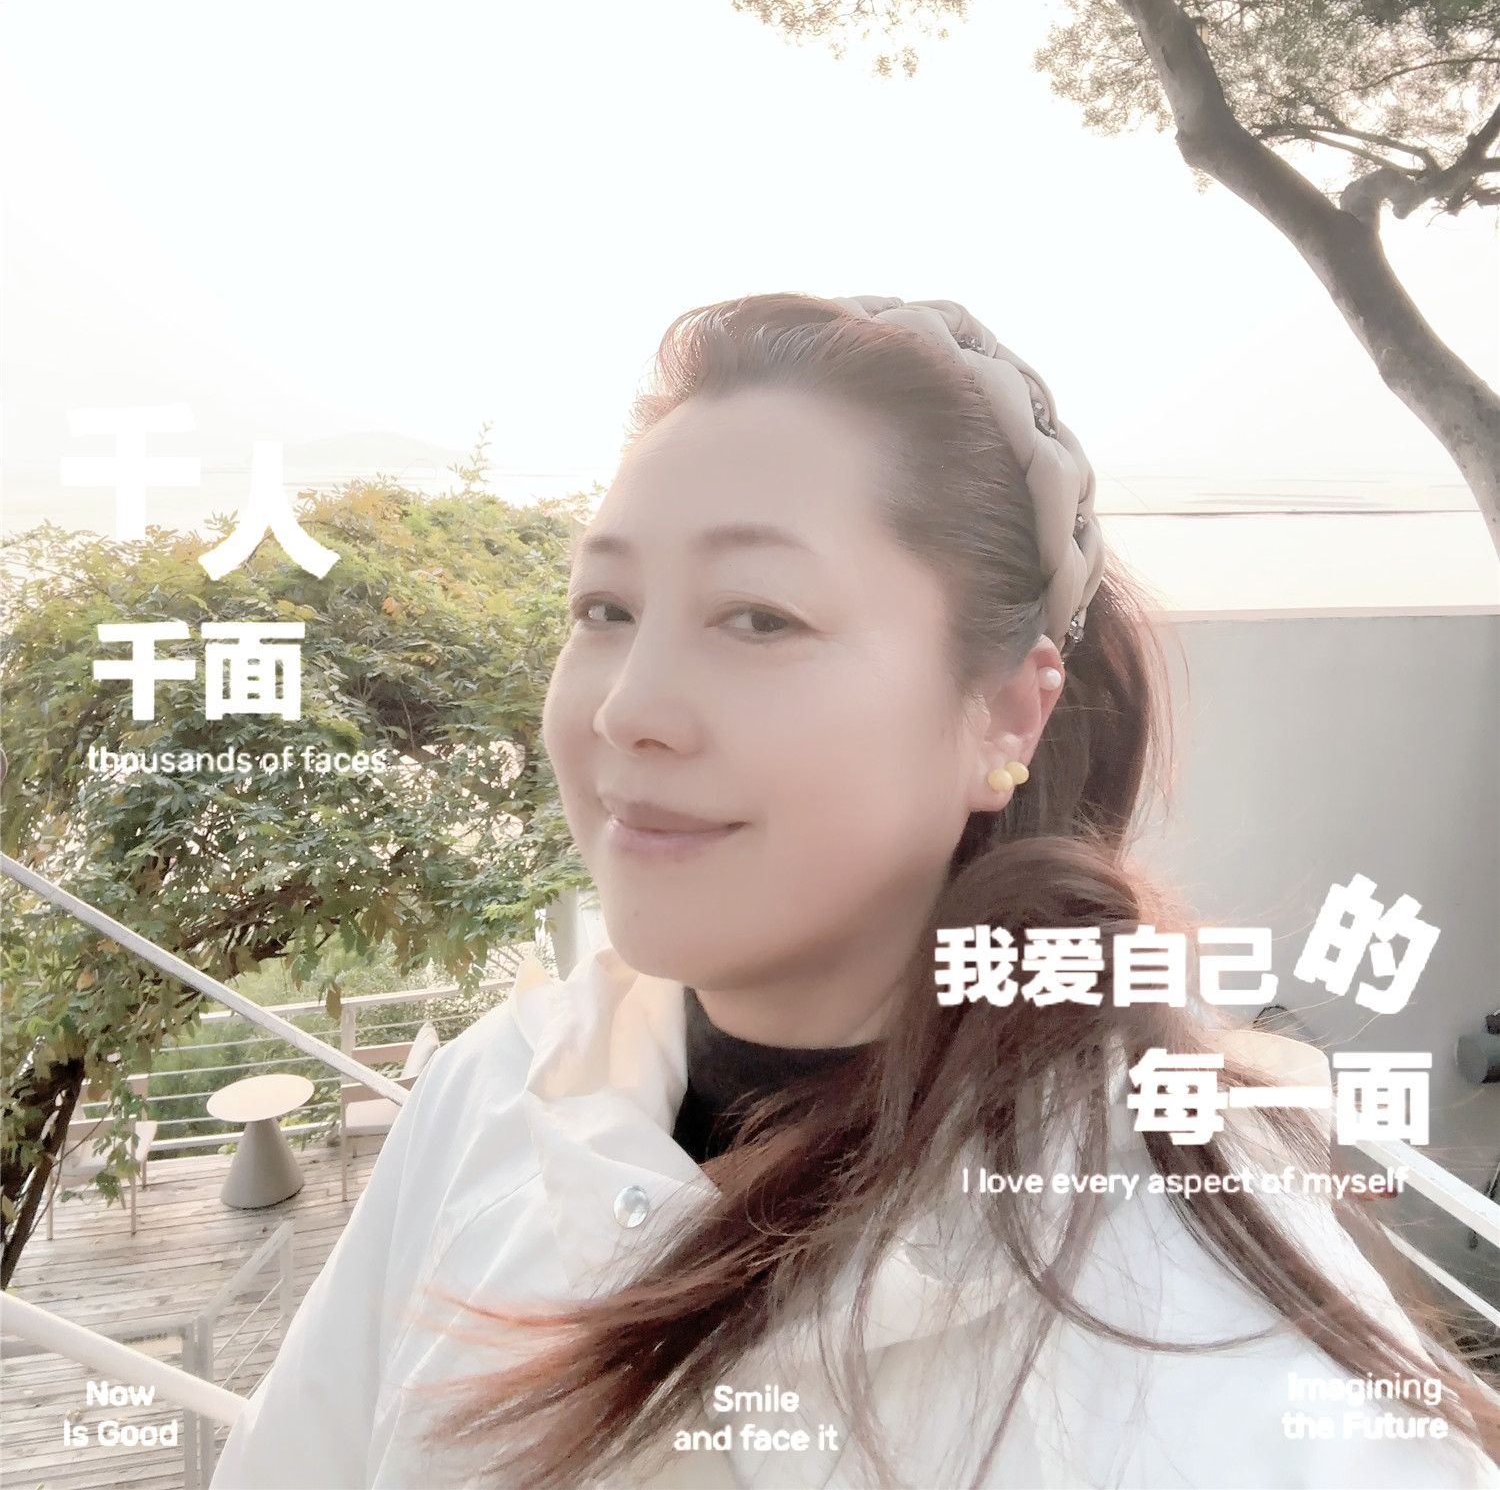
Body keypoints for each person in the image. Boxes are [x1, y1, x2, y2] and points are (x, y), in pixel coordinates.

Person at [212, 292, 1500, 1490]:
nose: (627, 708)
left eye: (759, 617)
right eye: (604, 607)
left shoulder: (1224, 1365)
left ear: (1006, 713)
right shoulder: (492, 1086)